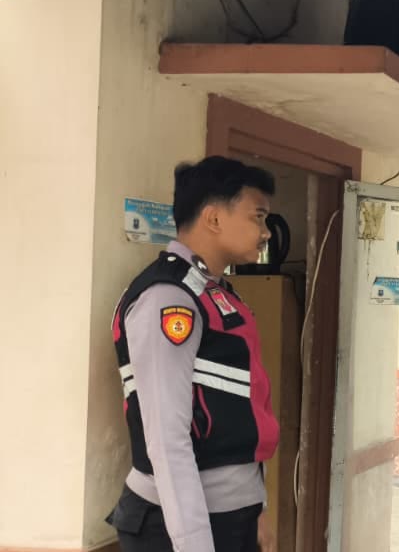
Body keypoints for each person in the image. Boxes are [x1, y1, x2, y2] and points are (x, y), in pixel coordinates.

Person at [106, 156, 281, 552]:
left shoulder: (213, 292)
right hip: (178, 525)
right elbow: (167, 439)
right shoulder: (168, 299)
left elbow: (240, 410)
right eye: (257, 217)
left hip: (230, 517)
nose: (266, 232)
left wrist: (256, 507)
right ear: (214, 218)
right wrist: (195, 544)